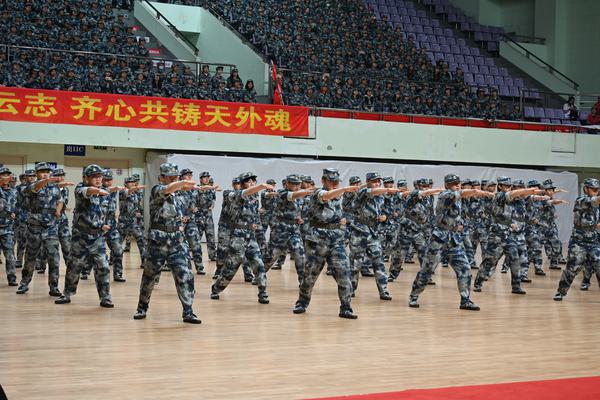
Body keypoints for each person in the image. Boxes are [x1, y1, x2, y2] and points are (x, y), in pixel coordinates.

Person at [408, 174, 492, 310]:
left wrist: (458, 225)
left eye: (458, 183)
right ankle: (414, 296)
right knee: (427, 270)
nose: (457, 185)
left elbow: (456, 215)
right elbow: (463, 193)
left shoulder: (457, 198)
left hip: (453, 239)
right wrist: (480, 192)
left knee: (465, 269)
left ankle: (465, 300)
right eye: (453, 184)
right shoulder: (445, 195)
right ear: (447, 185)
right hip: (439, 239)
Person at [133, 163, 201, 324]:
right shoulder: (157, 190)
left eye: (175, 177)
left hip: (177, 240)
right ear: (161, 178)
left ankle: (188, 311)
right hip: (158, 240)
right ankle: (142, 307)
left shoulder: (181, 195)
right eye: (170, 177)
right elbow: (168, 189)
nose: (173, 179)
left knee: (185, 274)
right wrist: (182, 183)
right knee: (150, 276)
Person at [293, 168, 360, 319]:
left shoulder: (339, 196)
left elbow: (343, 210)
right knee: (310, 275)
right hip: (317, 240)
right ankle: (302, 303)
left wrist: (343, 220)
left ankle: (346, 308)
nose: (335, 184)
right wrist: (344, 189)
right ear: (323, 181)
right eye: (331, 181)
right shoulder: (318, 192)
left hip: (336, 239)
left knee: (344, 274)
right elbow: (326, 196)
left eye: (336, 181)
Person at [473, 177, 545, 295]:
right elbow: (513, 194)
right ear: (500, 186)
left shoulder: (515, 200)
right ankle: (478, 282)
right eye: (506, 185)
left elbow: (524, 199)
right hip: (496, 236)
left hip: (509, 236)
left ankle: (516, 286)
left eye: (509, 186)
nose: (508, 188)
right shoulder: (499, 196)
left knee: (515, 259)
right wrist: (527, 190)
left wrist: (535, 194)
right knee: (490, 261)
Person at [55, 164, 114, 307]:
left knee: (103, 267)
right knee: (74, 266)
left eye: (100, 176)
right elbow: (88, 191)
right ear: (86, 178)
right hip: (80, 237)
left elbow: (104, 213)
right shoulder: (80, 189)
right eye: (94, 177)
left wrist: (103, 225)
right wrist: (99, 190)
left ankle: (105, 297)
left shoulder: (104, 193)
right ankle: (67, 294)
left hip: (97, 237)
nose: (98, 179)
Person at [210, 172, 273, 304]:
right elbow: (245, 193)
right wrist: (261, 186)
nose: (252, 183)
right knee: (231, 267)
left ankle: (263, 293)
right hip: (238, 236)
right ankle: (216, 288)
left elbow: (254, 215)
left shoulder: (254, 197)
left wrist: (256, 227)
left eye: (253, 181)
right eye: (249, 181)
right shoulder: (235, 194)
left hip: (251, 236)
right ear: (243, 184)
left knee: (259, 265)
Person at [350, 172, 401, 300]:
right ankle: (350, 289)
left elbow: (388, 211)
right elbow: (372, 191)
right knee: (355, 264)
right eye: (374, 181)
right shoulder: (363, 192)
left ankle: (383, 291)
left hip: (374, 232)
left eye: (378, 181)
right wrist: (388, 189)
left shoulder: (381, 196)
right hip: (359, 231)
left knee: (379, 262)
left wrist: (385, 216)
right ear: (368, 182)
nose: (377, 183)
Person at [16, 163, 64, 297]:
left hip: (51, 228)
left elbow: (60, 200)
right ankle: (24, 283)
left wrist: (58, 211)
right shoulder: (32, 186)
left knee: (54, 258)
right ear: (37, 173)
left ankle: (54, 287)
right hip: (35, 227)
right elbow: (37, 187)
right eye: (42, 172)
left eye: (47, 172)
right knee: (30, 257)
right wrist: (46, 181)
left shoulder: (55, 187)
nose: (45, 174)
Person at [554, 178, 600, 301]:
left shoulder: (597, 207)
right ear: (586, 189)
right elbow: (595, 200)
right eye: (593, 189)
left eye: (597, 190)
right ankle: (561, 292)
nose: (595, 191)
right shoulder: (581, 200)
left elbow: (596, 224)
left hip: (594, 241)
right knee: (572, 269)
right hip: (579, 242)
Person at [263, 174, 313, 285]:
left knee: (300, 255)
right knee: (271, 257)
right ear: (287, 184)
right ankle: (259, 275)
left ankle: (303, 282)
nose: (297, 186)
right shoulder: (282, 193)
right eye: (294, 184)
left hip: (294, 230)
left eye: (298, 184)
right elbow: (293, 196)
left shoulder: (299, 197)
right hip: (280, 230)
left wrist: (298, 217)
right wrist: (308, 191)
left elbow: (296, 209)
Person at [101, 170, 126, 282]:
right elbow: (103, 192)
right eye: (105, 180)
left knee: (118, 249)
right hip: (99, 226)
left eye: (110, 180)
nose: (108, 182)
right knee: (95, 252)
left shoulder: (114, 191)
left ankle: (118, 274)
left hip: (112, 225)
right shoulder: (98, 190)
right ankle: (85, 271)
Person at [118, 176, 146, 270]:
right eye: (130, 182)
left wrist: (137, 213)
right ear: (125, 184)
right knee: (118, 243)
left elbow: (135, 205)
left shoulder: (135, 194)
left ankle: (144, 262)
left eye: (134, 182)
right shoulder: (123, 191)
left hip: (133, 222)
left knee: (141, 240)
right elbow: (128, 192)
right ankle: (113, 259)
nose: (133, 183)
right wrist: (137, 188)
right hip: (123, 222)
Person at [0, 168, 17, 286]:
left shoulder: (14, 192)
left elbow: (17, 206)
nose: (6, 177)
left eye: (7, 175)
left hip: (7, 228)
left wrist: (15, 213)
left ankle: (12, 278)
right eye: (3, 175)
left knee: (10, 255)